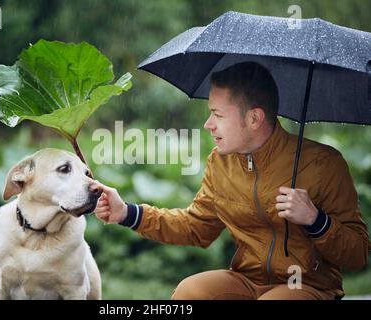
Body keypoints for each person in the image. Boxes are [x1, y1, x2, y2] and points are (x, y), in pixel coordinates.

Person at [92, 62, 369, 300]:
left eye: (218, 115)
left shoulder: (324, 164)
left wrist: (315, 220)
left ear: (254, 118)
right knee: (190, 293)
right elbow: (195, 227)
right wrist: (127, 213)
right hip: (247, 281)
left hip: (307, 286)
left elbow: (358, 254)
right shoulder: (220, 162)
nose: (208, 124)